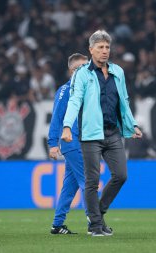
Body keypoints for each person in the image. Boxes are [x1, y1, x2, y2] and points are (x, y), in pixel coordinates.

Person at [61, 30, 142, 237]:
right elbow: (74, 100)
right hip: (91, 135)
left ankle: (97, 213)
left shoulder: (118, 72)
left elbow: (124, 100)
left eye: (107, 47)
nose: (105, 51)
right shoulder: (82, 74)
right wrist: (67, 126)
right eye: (100, 47)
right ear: (91, 50)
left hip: (113, 132)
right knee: (92, 181)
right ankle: (95, 226)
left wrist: (132, 125)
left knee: (121, 175)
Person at [48, 53, 89, 234]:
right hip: (72, 142)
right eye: (83, 67)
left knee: (70, 185)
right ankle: (95, 221)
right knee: (88, 181)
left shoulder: (85, 89)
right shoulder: (65, 90)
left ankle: (57, 224)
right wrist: (52, 143)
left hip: (80, 141)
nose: (88, 70)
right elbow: (56, 117)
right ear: (73, 70)